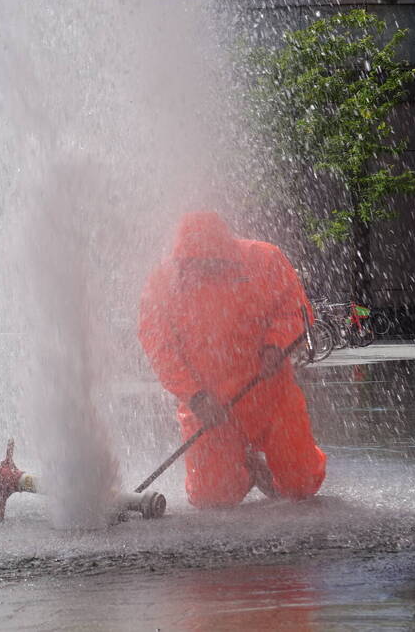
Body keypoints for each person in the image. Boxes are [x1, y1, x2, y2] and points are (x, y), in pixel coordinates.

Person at [138, 212, 327, 508]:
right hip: (211, 409)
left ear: (225, 249)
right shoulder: (163, 283)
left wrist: (276, 345)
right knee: (211, 499)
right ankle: (248, 468)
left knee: (301, 486)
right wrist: (196, 397)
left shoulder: (264, 260)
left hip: (272, 398)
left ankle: (280, 467)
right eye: (195, 262)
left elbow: (294, 310)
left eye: (211, 260)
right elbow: (160, 349)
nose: (205, 267)